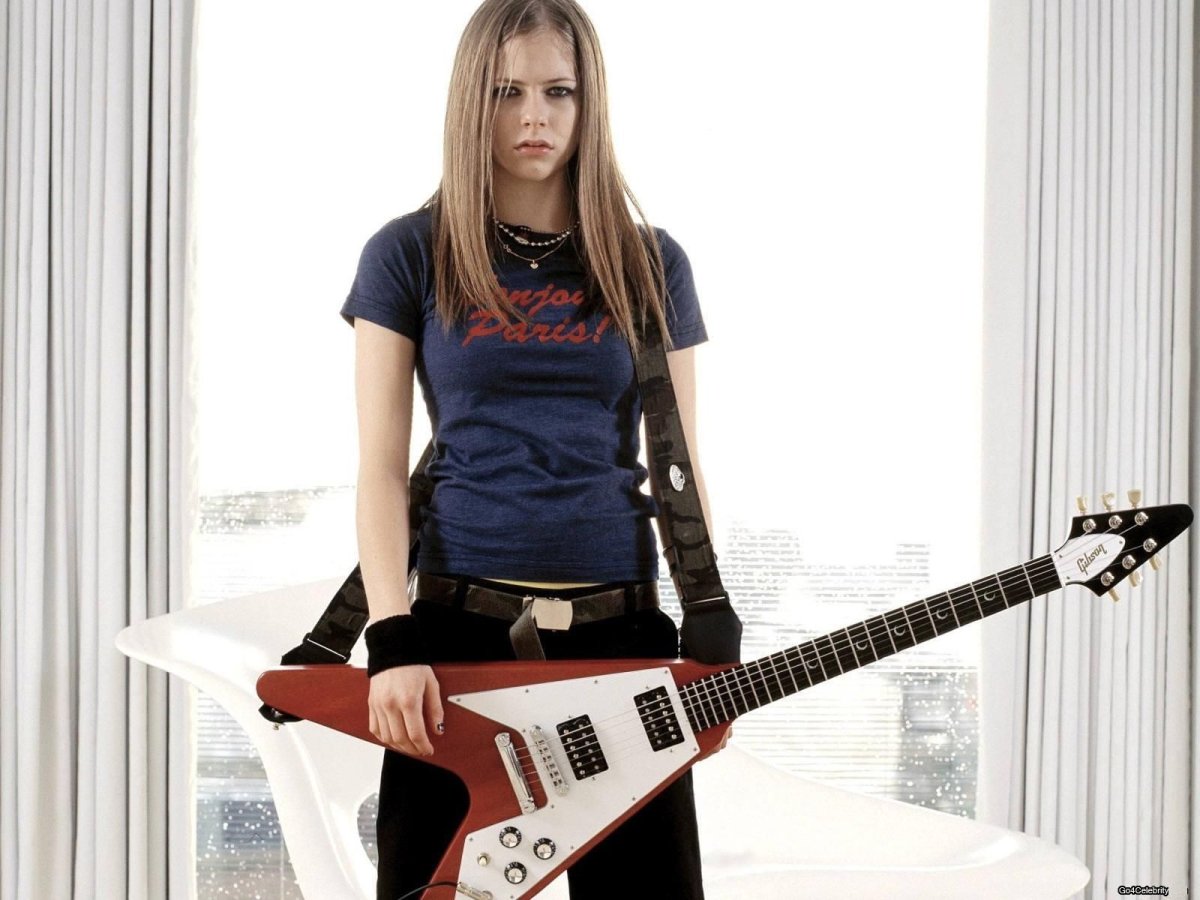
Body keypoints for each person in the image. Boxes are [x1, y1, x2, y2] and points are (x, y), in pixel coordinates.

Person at [339, 1, 720, 897]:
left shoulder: (650, 261)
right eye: (507, 92)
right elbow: (380, 469)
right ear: (471, 101)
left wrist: (707, 603)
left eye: (559, 92)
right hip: (455, 643)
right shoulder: (408, 253)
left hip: (623, 639)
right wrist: (391, 635)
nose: (535, 117)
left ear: (591, 103)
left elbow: (680, 461)